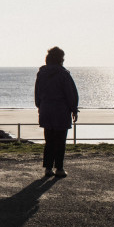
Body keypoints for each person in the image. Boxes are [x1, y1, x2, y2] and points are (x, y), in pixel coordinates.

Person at [34, 47, 79, 178]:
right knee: (60, 141)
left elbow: (37, 93)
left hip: (46, 110)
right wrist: (74, 109)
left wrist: (40, 106)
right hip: (61, 111)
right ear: (60, 59)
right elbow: (70, 94)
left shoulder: (41, 74)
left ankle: (48, 168)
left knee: (49, 141)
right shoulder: (64, 74)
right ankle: (59, 168)